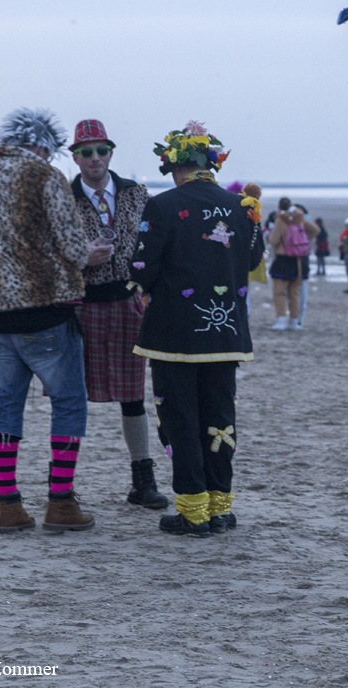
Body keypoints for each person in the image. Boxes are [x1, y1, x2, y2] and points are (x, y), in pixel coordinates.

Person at [0, 108, 94, 534]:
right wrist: (90, 254)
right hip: (46, 311)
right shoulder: (45, 178)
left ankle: (9, 505)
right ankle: (60, 502)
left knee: (6, 406)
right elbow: (72, 246)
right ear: (44, 147)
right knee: (68, 403)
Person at [131, 121, 264, 537]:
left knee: (179, 418)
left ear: (174, 165)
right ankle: (221, 506)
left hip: (174, 334)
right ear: (211, 163)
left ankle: (193, 511)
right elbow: (254, 259)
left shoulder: (162, 205)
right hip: (226, 333)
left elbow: (141, 266)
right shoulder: (243, 207)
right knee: (220, 417)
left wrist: (144, 287)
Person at [68, 119, 167, 510]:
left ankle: (143, 481)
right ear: (75, 157)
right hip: (80, 303)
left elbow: (156, 245)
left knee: (133, 395)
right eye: (85, 151)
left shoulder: (136, 194)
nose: (94, 158)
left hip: (129, 301)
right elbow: (46, 255)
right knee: (72, 396)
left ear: (111, 152)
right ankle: (62, 488)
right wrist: (82, 258)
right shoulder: (61, 197)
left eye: (101, 150)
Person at [268, 203, 318, 330]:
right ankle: (294, 322)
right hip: (298, 261)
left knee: (279, 293)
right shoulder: (299, 218)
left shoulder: (281, 220)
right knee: (294, 294)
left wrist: (274, 239)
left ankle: (280, 320)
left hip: (282, 260)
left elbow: (273, 240)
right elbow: (315, 230)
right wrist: (304, 241)